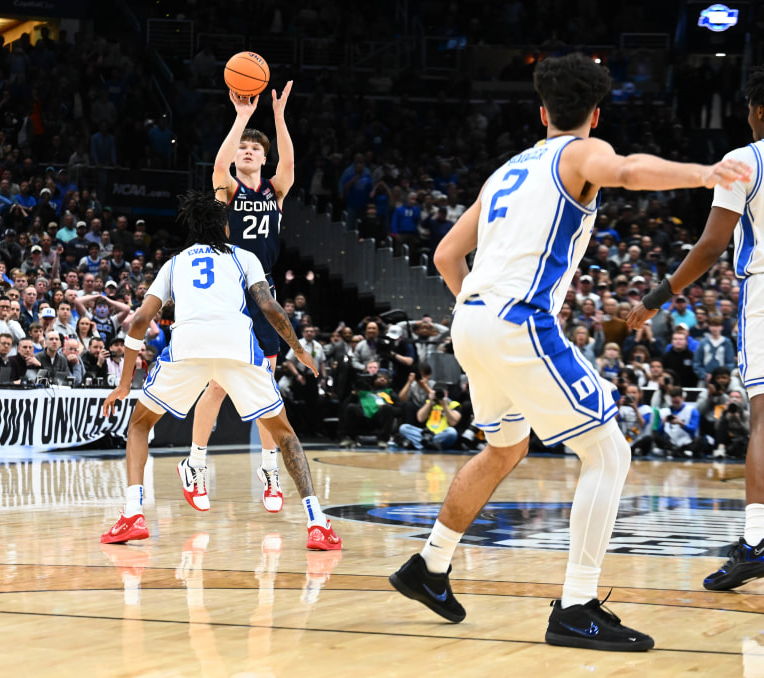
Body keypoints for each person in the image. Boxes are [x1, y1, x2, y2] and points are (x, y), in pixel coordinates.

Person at [389, 52, 750, 652]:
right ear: (595, 113)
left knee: (505, 448)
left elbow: (446, 256)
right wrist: (704, 173)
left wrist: (481, 314)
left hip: (470, 319)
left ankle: (429, 565)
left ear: (542, 112)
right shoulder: (580, 153)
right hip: (516, 321)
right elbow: (627, 170)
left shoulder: (505, 171)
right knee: (609, 452)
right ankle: (577, 607)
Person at [100, 190, 340, 551]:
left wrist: (123, 384)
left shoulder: (175, 264)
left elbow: (138, 322)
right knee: (284, 433)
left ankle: (133, 514)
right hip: (237, 347)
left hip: (188, 348)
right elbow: (270, 308)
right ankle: (316, 522)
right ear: (225, 228)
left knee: (138, 426)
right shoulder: (244, 257)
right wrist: (300, 348)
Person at [628, 65, 764, 591]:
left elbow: (710, 246)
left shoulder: (745, 160)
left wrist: (657, 298)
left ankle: (757, 540)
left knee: (762, 420)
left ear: (757, 110)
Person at [184, 82, 297, 514]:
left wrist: (279, 116)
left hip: (264, 295)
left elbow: (289, 162)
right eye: (243, 148)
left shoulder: (275, 191)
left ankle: (269, 469)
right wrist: (242, 116)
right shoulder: (228, 190)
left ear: (263, 158)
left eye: (255, 149)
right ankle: (195, 463)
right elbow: (218, 164)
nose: (248, 151)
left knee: (265, 389)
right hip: (229, 295)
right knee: (217, 384)